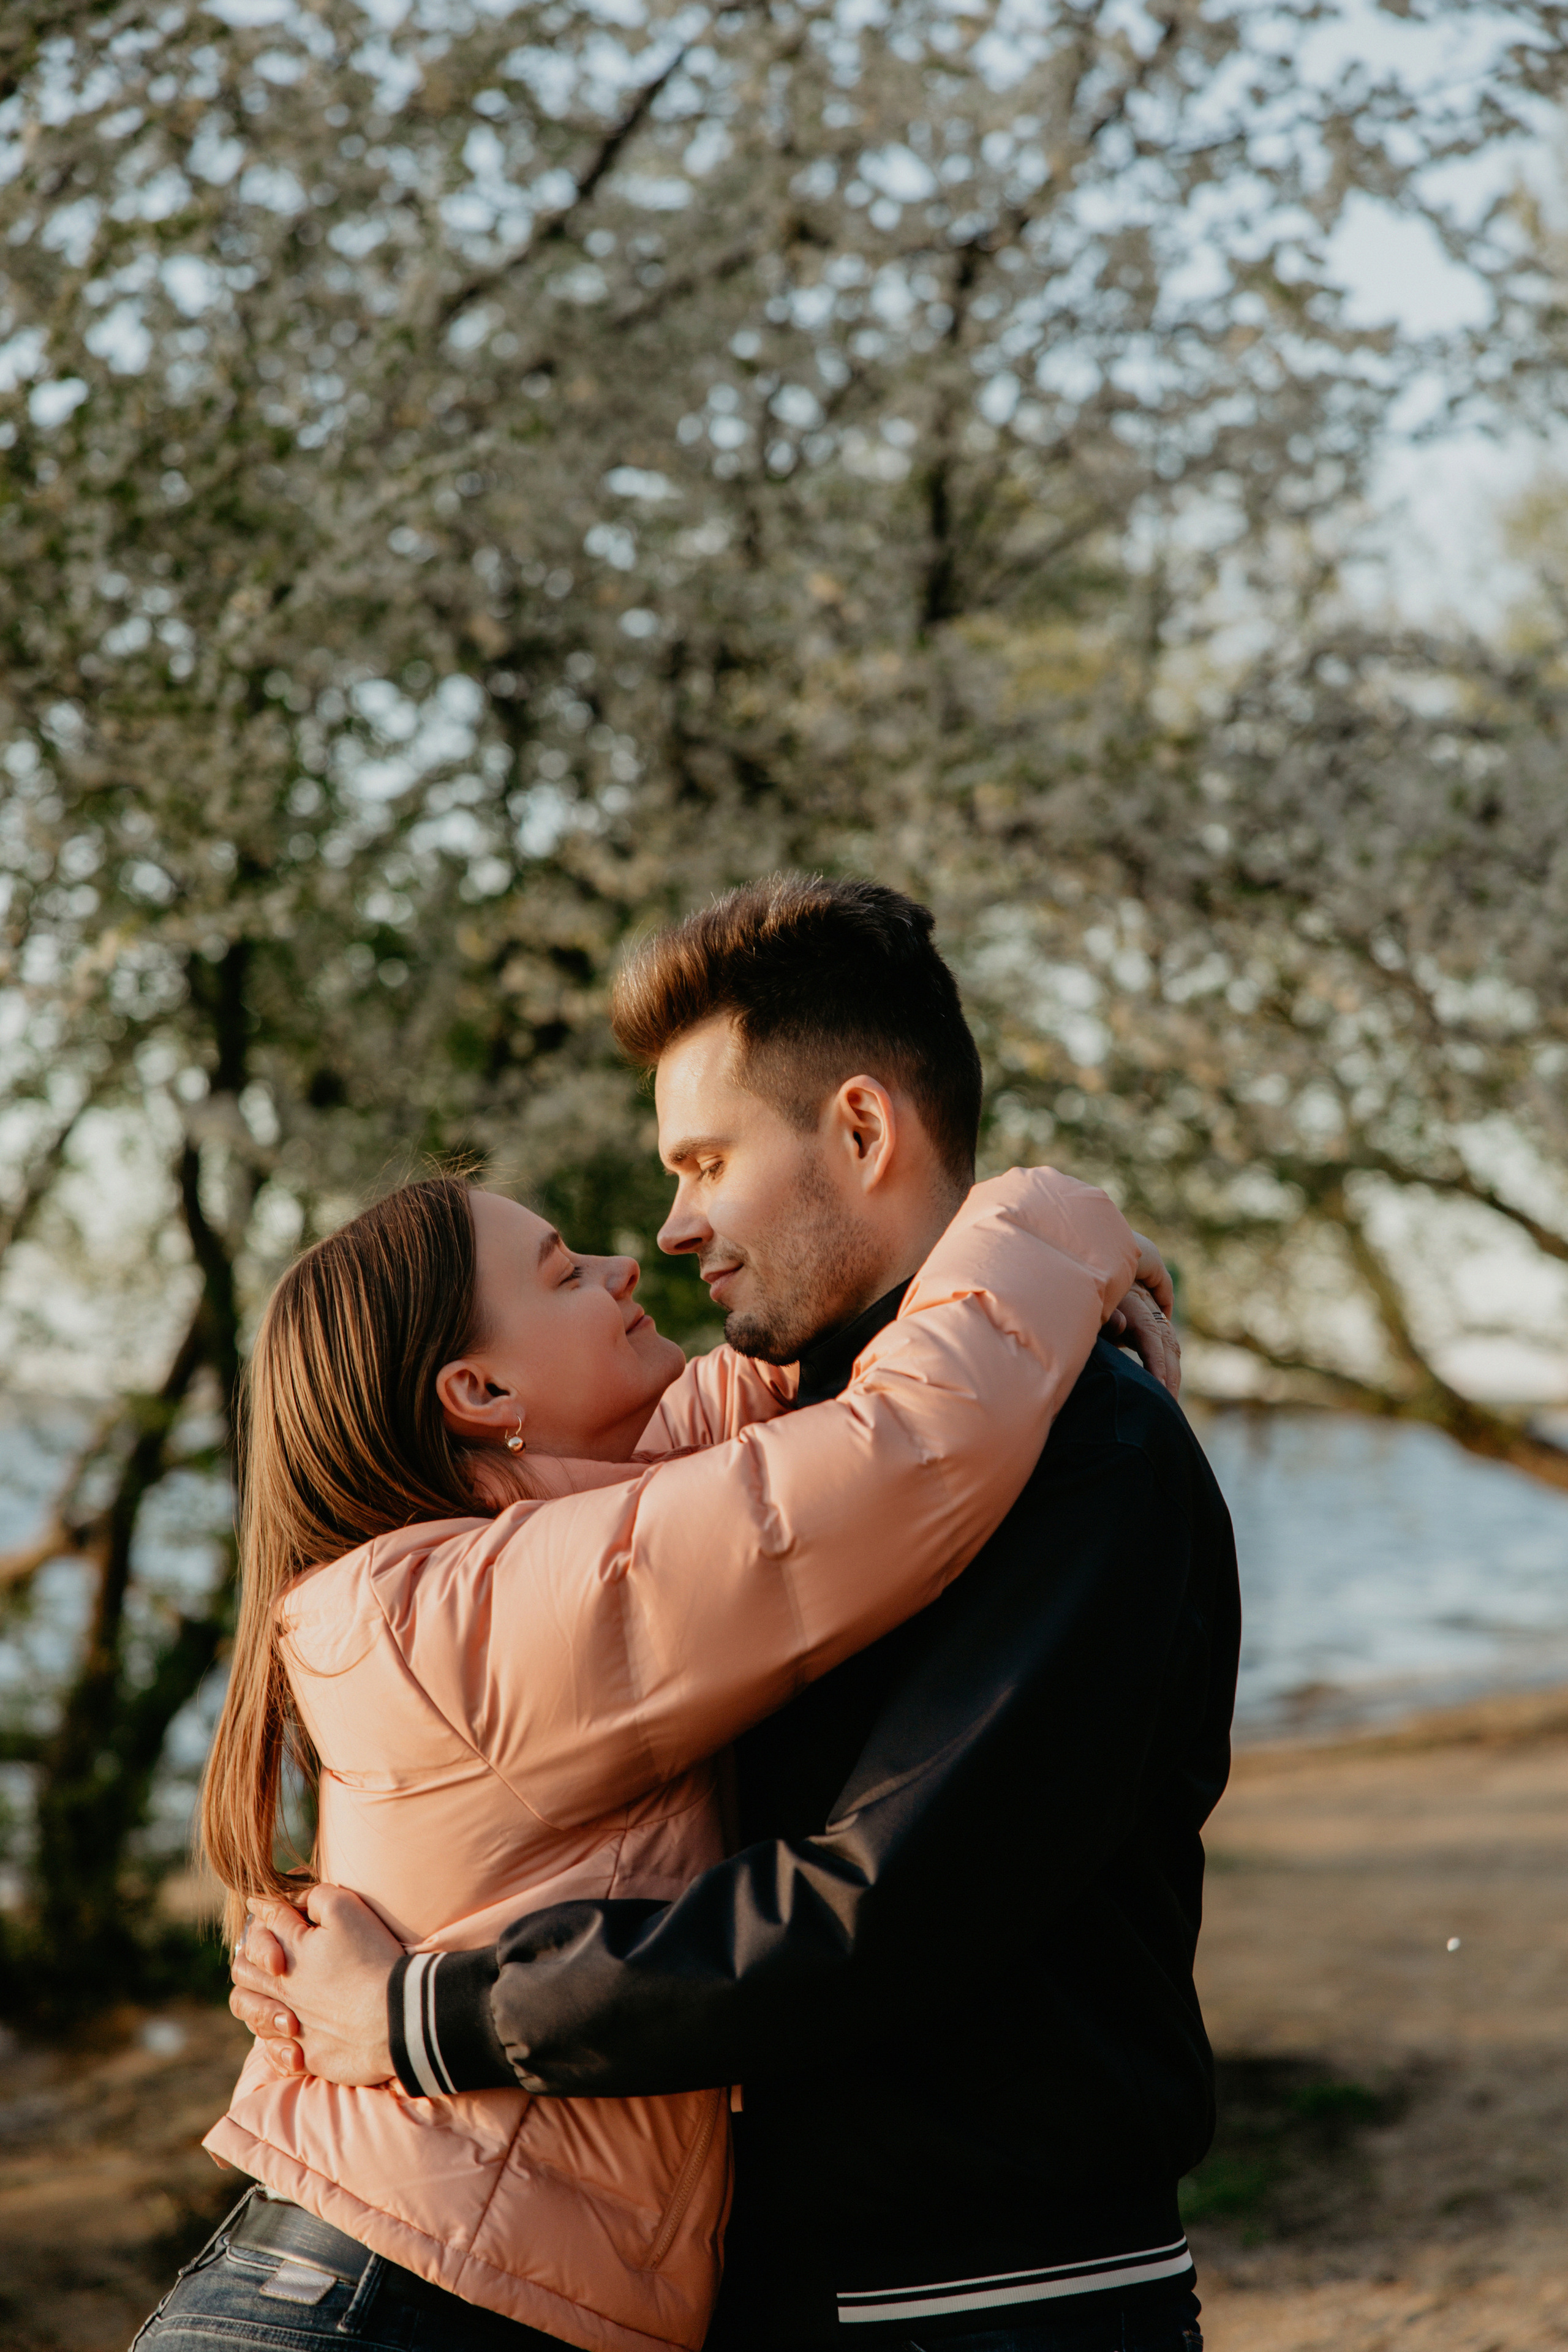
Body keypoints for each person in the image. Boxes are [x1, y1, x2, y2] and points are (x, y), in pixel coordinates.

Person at [136, 892, 1163, 2350]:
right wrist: (1049, 1221)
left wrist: (1034, 1279)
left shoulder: (578, 1521)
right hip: (381, 2307)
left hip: (460, 2291)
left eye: (702, 1166)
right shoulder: (467, 1607)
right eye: (563, 1272)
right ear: (476, 1397)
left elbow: (805, 1407)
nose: (648, 1247)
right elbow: (900, 1450)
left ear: (859, 1133)